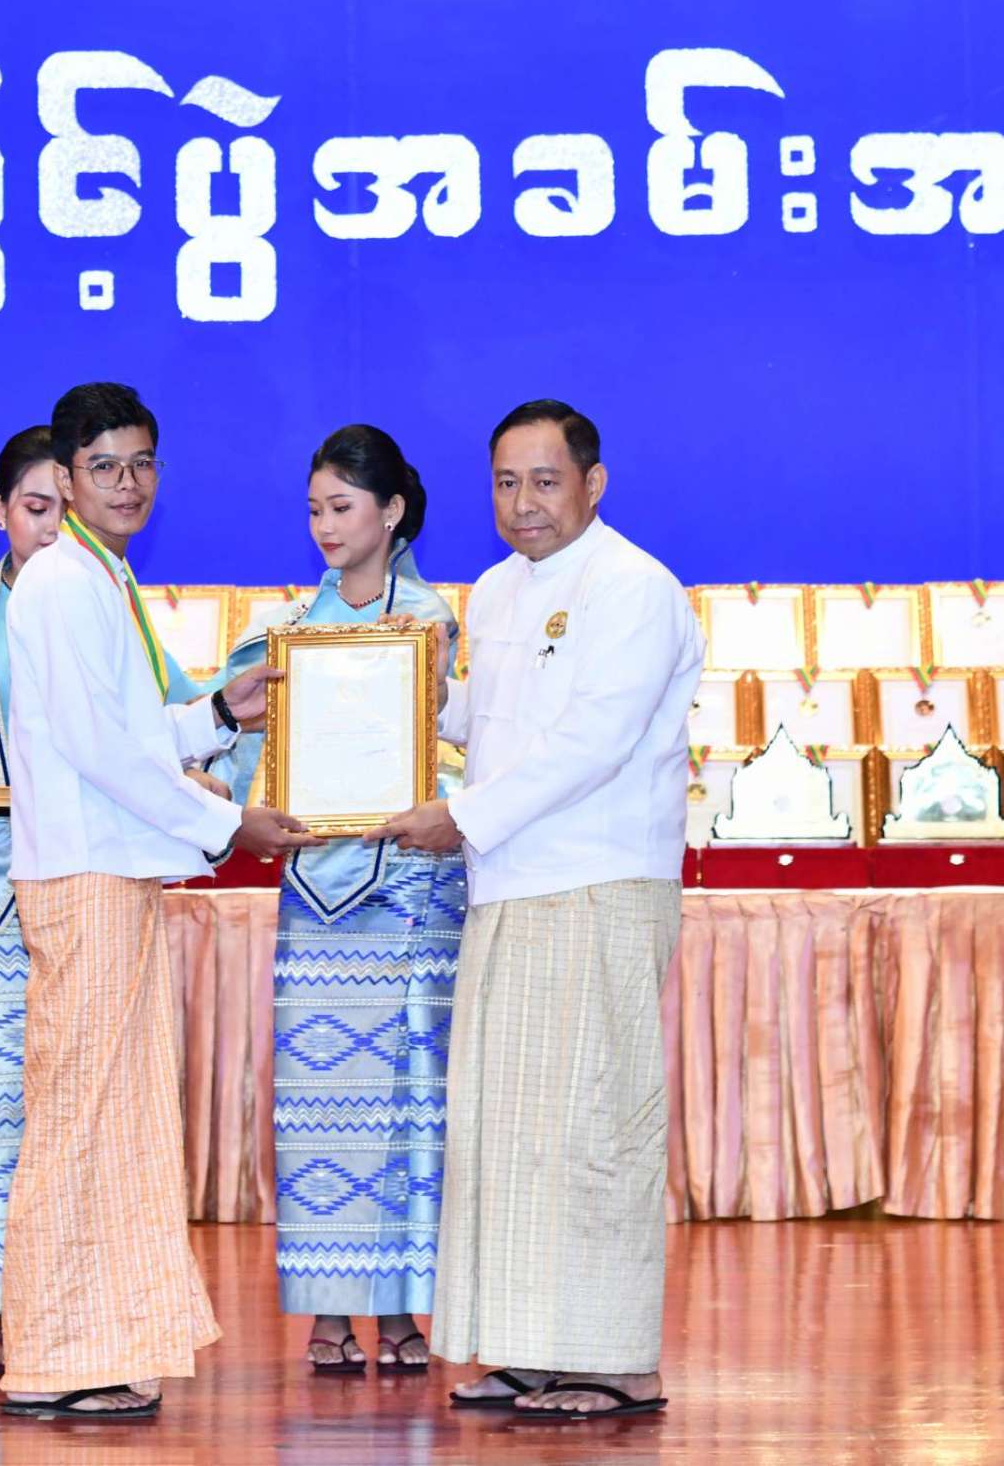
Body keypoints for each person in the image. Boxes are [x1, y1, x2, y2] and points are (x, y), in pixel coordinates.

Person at [367, 399, 703, 1421]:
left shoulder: (635, 588)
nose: (524, 503)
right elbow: (492, 722)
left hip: (597, 879)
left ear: (593, 484)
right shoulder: (498, 590)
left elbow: (594, 743)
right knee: (509, 1132)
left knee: (595, 1123)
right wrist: (412, 689)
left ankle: (614, 1359)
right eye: (506, 483)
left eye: (546, 482)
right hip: (508, 883)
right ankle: (526, 1346)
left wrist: (461, 817)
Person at [0, 382, 321, 1421]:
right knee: (82, 1115)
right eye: (104, 467)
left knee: (117, 1116)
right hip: (87, 874)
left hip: (115, 870)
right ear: (65, 478)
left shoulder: (104, 576)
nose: (128, 483)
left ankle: (96, 1344)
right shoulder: (62, 583)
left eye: (142, 464)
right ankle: (54, 1353)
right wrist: (225, 825)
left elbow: (130, 735)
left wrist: (221, 711)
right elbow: (99, 750)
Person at [0, 425, 214, 1377]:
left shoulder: (104, 587)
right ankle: (24, 1321)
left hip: (70, 868)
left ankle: (53, 1322)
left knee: (75, 1108)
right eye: (33, 506)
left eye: (55, 506)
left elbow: (156, 719)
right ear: (1, 507)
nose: (47, 523)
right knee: (9, 1114)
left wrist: (216, 734)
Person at [209, 425, 466, 1374]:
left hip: (410, 886)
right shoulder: (282, 632)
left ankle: (398, 1308)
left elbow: (459, 746)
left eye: (343, 507)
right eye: (314, 508)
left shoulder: (433, 626)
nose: (324, 525)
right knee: (323, 1105)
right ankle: (326, 1308)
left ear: (391, 511)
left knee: (406, 1100)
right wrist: (241, 808)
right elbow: (238, 747)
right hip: (316, 889)